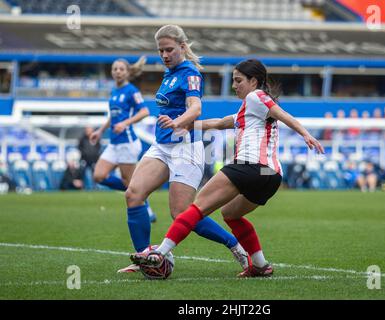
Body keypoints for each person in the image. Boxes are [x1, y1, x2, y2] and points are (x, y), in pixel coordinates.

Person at [132, 59, 324, 277]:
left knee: (195, 208)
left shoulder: (256, 96)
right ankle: (260, 266)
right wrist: (183, 124)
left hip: (249, 166)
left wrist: (306, 134)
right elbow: (220, 122)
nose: (234, 85)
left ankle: (159, 253)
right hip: (270, 176)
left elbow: (282, 114)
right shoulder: (250, 109)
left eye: (238, 80)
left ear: (254, 81)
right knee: (231, 214)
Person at [121, 25, 249, 273]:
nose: (165, 55)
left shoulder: (190, 73)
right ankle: (146, 256)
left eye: (169, 49)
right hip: (162, 145)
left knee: (181, 213)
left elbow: (195, 109)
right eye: (161, 51)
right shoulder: (169, 73)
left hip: (185, 147)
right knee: (133, 194)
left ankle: (236, 246)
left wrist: (178, 122)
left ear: (182, 46)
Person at [89, 56, 157, 270]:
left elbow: (145, 111)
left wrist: (126, 123)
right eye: (114, 69)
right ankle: (144, 203)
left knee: (131, 186)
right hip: (114, 143)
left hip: (127, 143)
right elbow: (112, 116)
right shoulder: (114, 91)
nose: (117, 72)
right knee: (99, 176)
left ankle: (146, 208)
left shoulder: (131, 91)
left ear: (127, 72)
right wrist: (101, 131)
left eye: (120, 69)